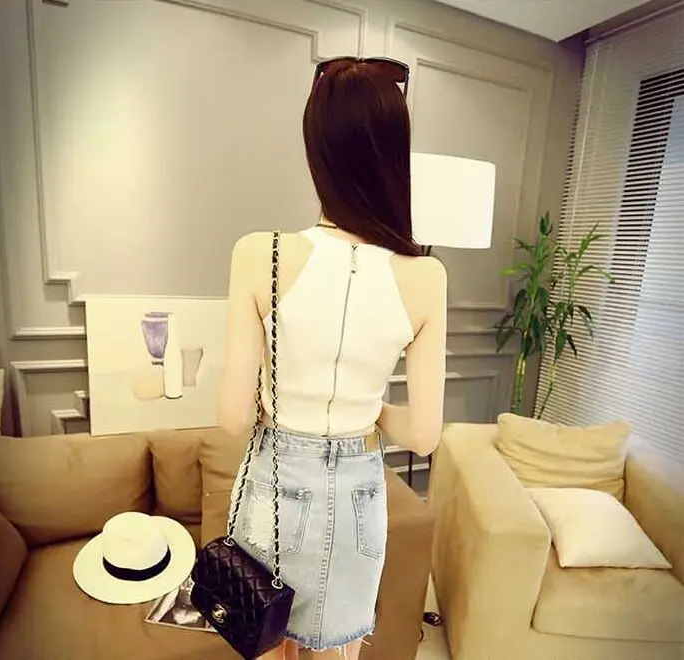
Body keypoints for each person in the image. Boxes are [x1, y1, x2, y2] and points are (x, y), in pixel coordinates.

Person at [217, 57, 447, 660]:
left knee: (263, 636)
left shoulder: (259, 253)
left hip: (274, 484)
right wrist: (368, 410)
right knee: (337, 652)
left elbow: (232, 418)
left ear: (316, 149)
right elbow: (424, 436)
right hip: (358, 501)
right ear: (395, 153)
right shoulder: (426, 276)